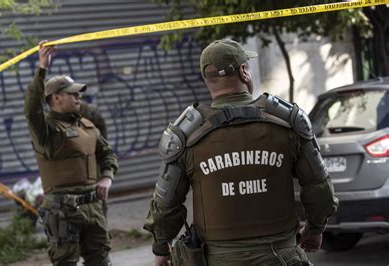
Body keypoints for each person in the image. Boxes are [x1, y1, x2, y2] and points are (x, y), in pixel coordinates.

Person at [144, 39, 339, 266]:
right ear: (244, 71)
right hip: (280, 257)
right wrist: (315, 229)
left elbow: (166, 205)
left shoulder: (185, 136)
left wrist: (161, 248)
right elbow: (319, 188)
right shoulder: (287, 123)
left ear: (207, 79)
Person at [24, 40, 118, 266]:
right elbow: (31, 108)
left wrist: (106, 177)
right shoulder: (46, 131)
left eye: (79, 94)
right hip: (61, 210)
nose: (79, 97)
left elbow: (107, 154)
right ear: (56, 98)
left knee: (101, 260)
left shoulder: (86, 125)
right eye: (73, 94)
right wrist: (42, 69)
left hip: (93, 206)